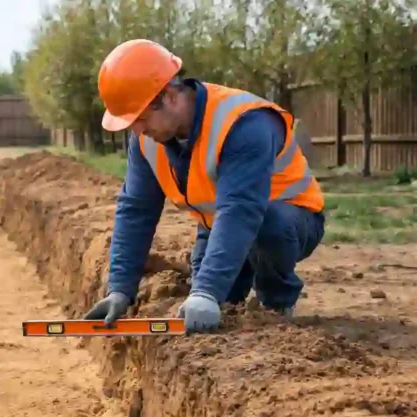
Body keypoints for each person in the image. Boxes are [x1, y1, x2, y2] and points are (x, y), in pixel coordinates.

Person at [83, 39, 326, 334]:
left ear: (170, 96)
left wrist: (207, 291)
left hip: (289, 221)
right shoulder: (148, 139)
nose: (138, 130)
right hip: (219, 224)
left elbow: (241, 209)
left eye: (141, 118)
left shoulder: (244, 123)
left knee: (230, 267)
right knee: (215, 307)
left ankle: (276, 305)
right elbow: (136, 210)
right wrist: (120, 289)